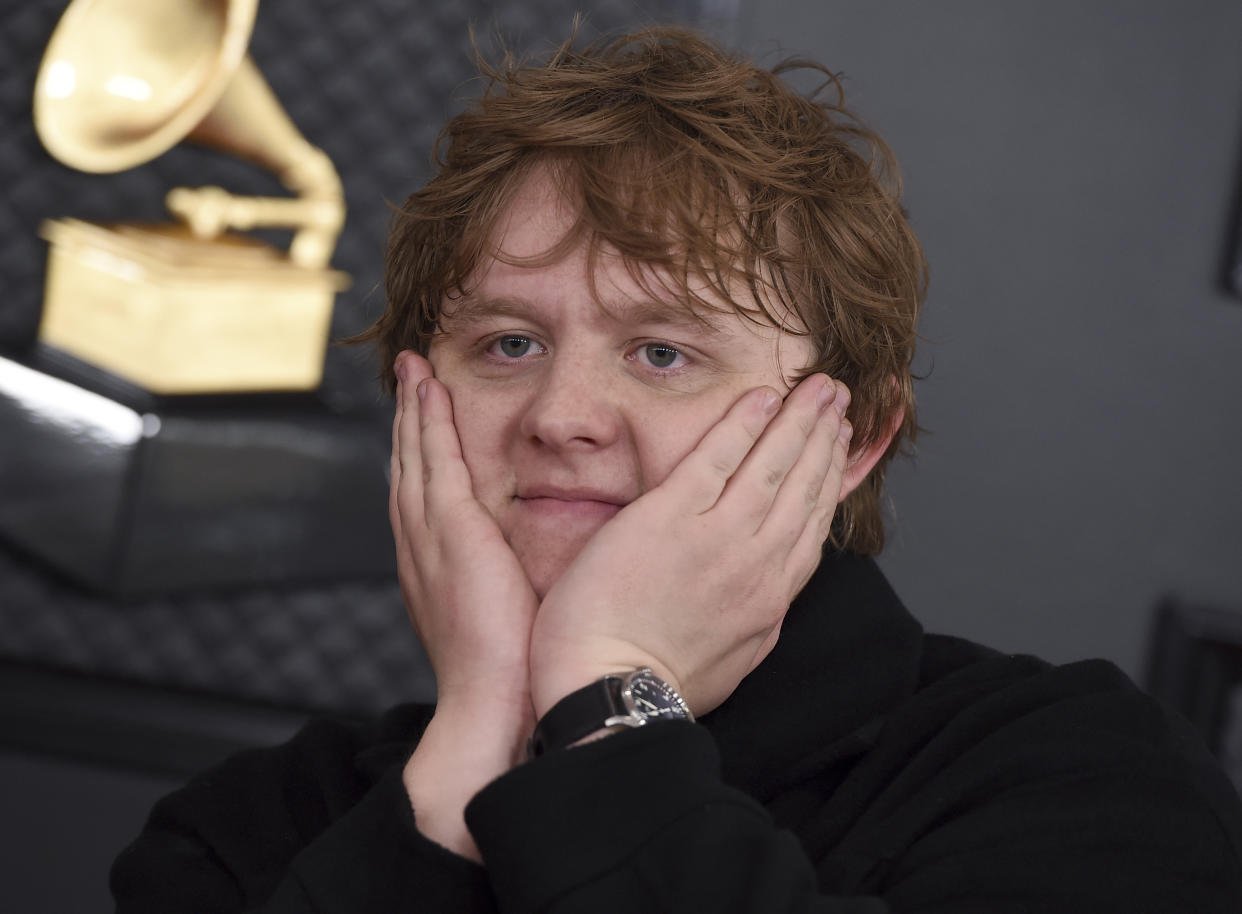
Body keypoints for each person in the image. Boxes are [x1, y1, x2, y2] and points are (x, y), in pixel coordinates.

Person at [112, 26, 1242, 913]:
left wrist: (608, 693)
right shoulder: (249, 827)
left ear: (852, 439)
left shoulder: (1075, 773)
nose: (561, 415)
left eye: (664, 351)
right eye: (509, 343)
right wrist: (468, 761)